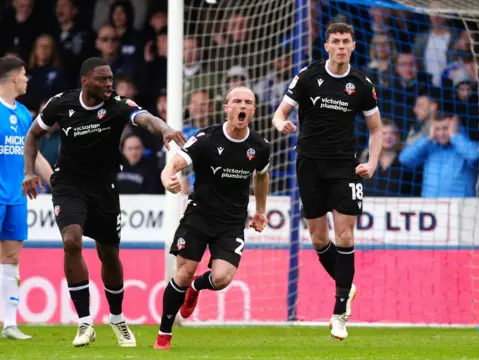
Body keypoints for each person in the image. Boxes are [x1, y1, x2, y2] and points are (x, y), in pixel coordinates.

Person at [21, 57, 186, 347]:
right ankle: (85, 322)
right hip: (69, 186)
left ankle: (117, 318)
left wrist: (164, 128)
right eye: (103, 79)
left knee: (109, 254)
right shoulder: (61, 103)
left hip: (104, 191)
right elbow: (33, 135)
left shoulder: (118, 105)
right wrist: (28, 171)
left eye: (111, 78)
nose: (109, 84)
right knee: (71, 241)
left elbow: (146, 118)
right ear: (85, 80)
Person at [272, 22, 382, 340]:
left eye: (346, 41)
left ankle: (339, 314)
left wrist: (372, 162)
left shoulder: (361, 83)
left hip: (344, 168)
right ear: (327, 45)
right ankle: (347, 287)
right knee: (319, 238)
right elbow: (280, 114)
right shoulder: (308, 76)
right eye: (336, 41)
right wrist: (281, 124)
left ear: (354, 45)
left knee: (345, 236)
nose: (341, 46)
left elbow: (376, 129)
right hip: (308, 165)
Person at [153, 86, 270, 350]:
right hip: (199, 216)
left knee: (222, 278)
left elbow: (261, 176)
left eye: (248, 102)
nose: (242, 106)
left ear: (253, 110)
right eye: (237, 101)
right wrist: (167, 178)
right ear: (226, 107)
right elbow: (174, 164)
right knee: (182, 274)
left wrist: (261, 210)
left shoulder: (260, 147)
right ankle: (164, 334)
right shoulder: (206, 138)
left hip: (231, 222)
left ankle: (197, 287)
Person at [0, 56, 53, 340]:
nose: (27, 79)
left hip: (16, 198)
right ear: (12, 78)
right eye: (24, 74)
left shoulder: (22, 114)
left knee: (11, 257)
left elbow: (33, 155)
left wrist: (55, 181)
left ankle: (9, 323)